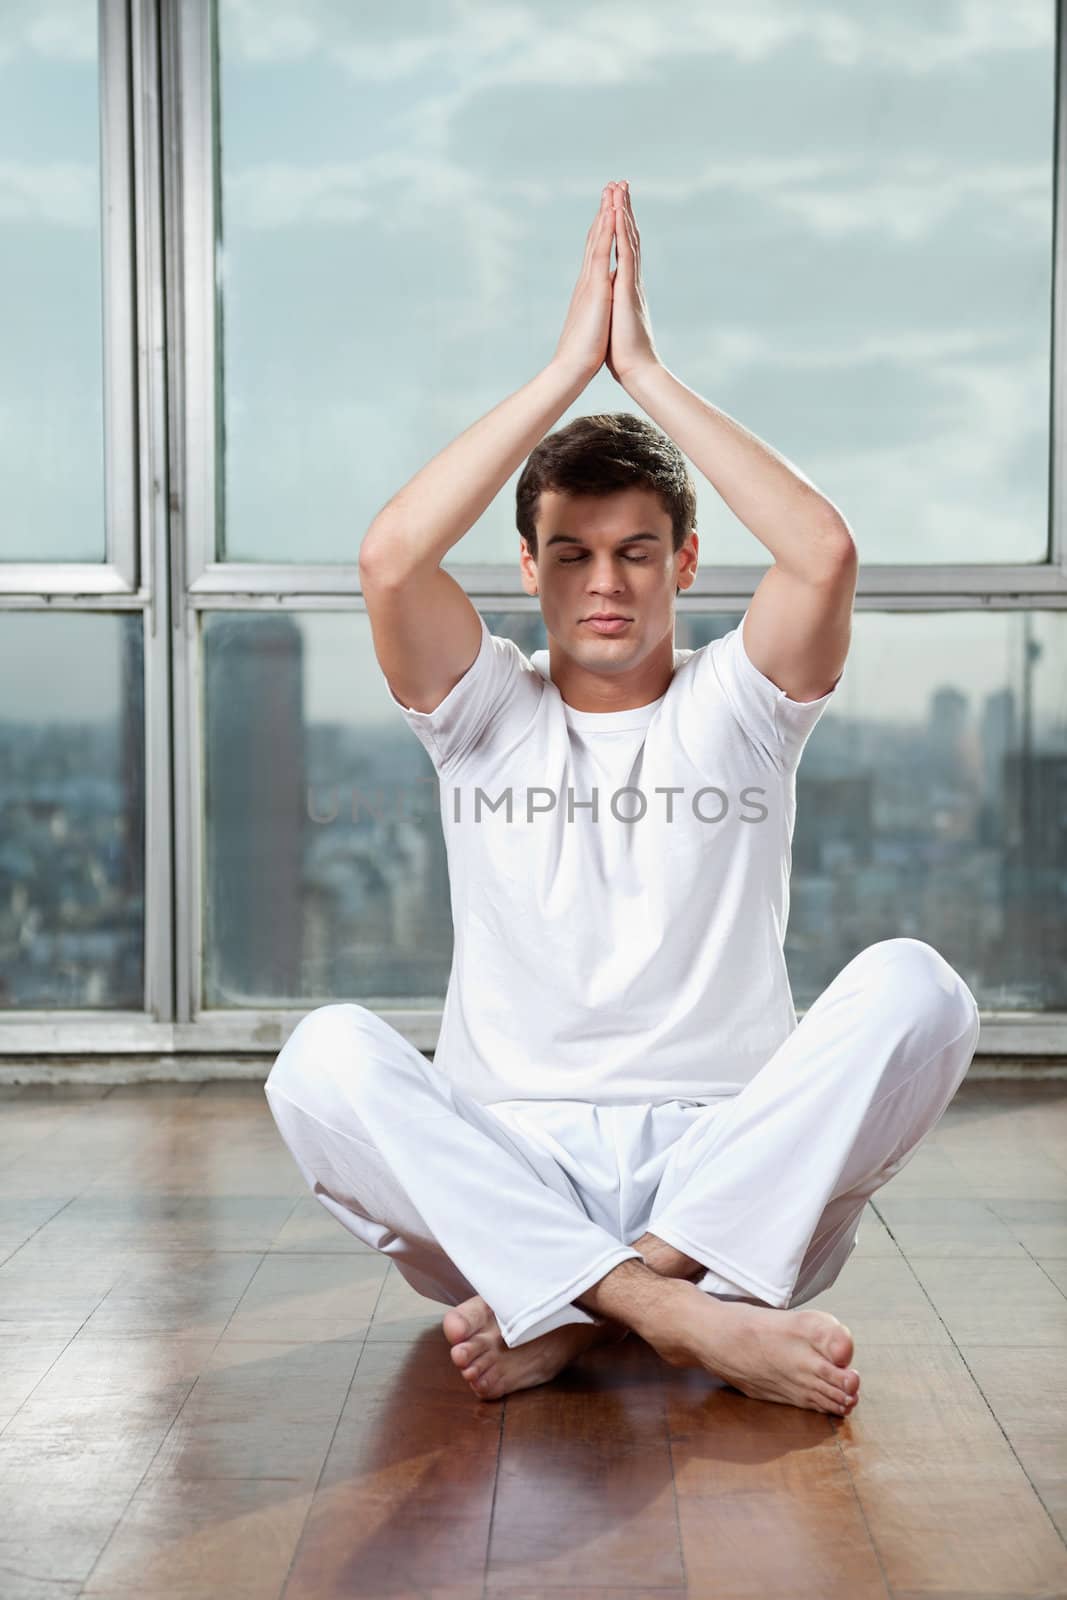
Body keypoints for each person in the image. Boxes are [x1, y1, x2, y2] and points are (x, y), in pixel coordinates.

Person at [264, 180, 980, 1416]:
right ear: (530, 569)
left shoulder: (740, 706)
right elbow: (390, 557)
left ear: (682, 563)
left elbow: (822, 551)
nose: (606, 583)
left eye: (636, 550)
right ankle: (659, 1320)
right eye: (572, 553)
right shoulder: (484, 711)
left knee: (923, 987)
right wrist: (562, 369)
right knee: (318, 1060)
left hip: (727, 1185)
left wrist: (638, 367)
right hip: (507, 1177)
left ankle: (593, 1307)